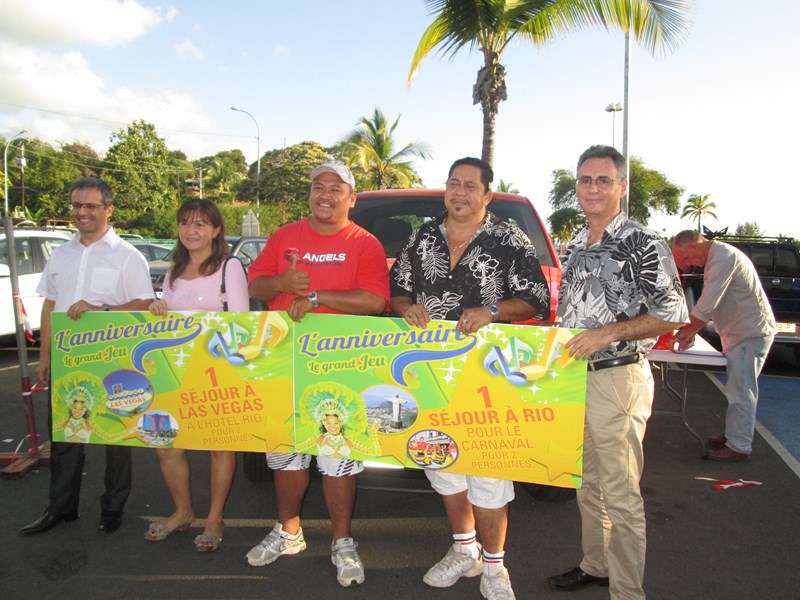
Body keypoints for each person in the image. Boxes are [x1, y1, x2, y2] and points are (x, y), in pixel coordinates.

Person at [389, 156, 550, 600]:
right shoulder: (422, 237)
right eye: (453, 184)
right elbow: (398, 289)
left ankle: (495, 567)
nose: (459, 192)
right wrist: (406, 308)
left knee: (487, 467)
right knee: (441, 460)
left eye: (470, 186)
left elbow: (535, 298)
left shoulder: (508, 239)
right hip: (429, 370)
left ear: (486, 195)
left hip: (486, 374)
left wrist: (493, 311)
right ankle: (464, 550)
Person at [546, 146, 687, 599]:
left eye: (603, 180)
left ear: (621, 187)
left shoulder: (641, 242)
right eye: (585, 180)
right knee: (587, 485)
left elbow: (673, 313)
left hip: (617, 378)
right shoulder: (576, 243)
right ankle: (597, 565)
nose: (592, 188)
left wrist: (607, 333)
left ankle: (628, 592)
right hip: (575, 380)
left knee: (622, 496)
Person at [244, 160, 389, 587]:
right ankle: (288, 532)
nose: (325, 195)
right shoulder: (285, 236)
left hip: (341, 366)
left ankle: (342, 541)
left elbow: (376, 301)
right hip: (284, 362)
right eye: (318, 187)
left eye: (336, 188)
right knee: (286, 452)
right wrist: (282, 283)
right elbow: (255, 286)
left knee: (337, 456)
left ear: (351, 198)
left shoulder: (365, 244)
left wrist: (314, 294)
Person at [19, 176, 154, 536]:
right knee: (65, 438)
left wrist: (102, 308)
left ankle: (112, 510)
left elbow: (144, 304)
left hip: (111, 360)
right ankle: (61, 509)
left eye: (91, 206)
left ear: (109, 210)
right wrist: (44, 356)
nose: (82, 212)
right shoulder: (61, 254)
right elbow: (50, 305)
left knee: (114, 440)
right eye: (77, 205)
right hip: (67, 360)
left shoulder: (128, 256)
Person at [144, 198, 249, 551]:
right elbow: (166, 317)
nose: (192, 230)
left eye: (201, 224)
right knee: (166, 445)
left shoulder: (229, 267)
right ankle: (183, 512)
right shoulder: (172, 269)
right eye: (186, 223)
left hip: (216, 372)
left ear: (216, 230)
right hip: (173, 370)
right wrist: (156, 307)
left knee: (219, 447)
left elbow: (240, 326)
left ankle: (215, 517)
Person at [672, 230, 776, 461]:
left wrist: (687, 331)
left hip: (749, 333)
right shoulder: (719, 256)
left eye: (686, 258)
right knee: (738, 389)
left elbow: (709, 302)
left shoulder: (723, 257)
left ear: (693, 246)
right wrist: (692, 330)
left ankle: (739, 447)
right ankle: (734, 435)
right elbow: (711, 304)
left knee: (741, 391)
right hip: (742, 333)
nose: (689, 265)